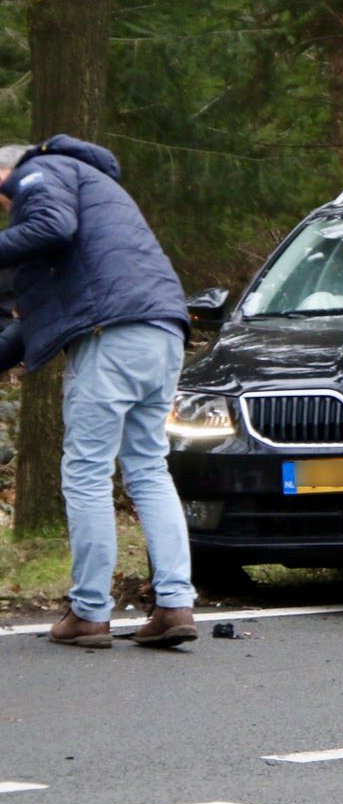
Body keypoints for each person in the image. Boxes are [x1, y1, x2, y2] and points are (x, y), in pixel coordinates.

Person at [0, 136, 198, 649]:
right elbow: (41, 315)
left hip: (112, 336)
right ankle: (175, 604)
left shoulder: (38, 172)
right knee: (148, 467)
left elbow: (49, 227)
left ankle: (89, 611)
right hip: (162, 329)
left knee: (86, 470)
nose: (7, 211)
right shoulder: (91, 191)